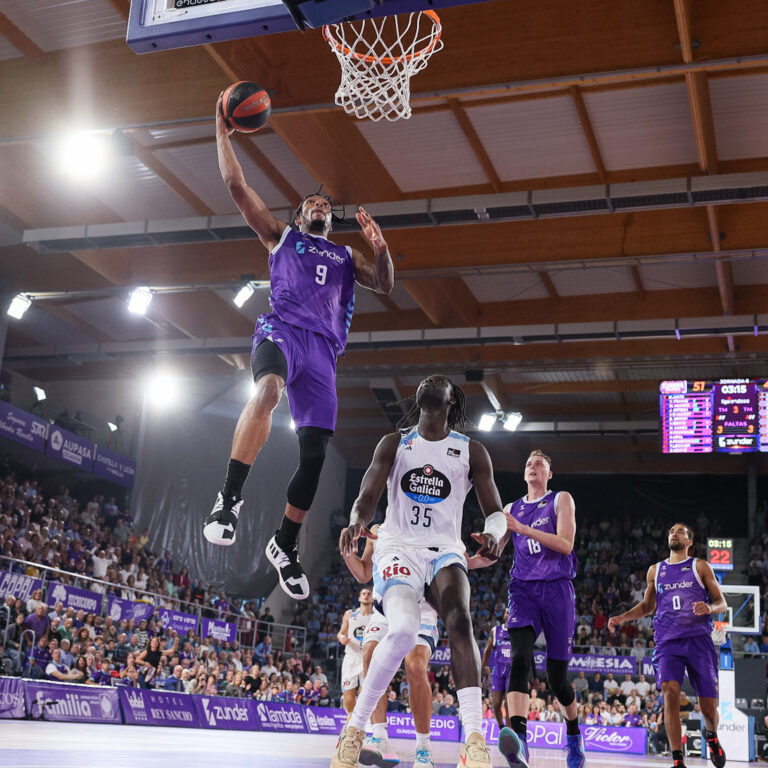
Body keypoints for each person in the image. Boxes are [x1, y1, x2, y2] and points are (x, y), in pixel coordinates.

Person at [204, 94, 395, 601]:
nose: (321, 206)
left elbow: (386, 285)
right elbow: (235, 185)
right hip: (283, 331)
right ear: (299, 212)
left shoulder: (346, 255)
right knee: (266, 391)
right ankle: (228, 499)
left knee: (315, 455)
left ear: (332, 221)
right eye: (313, 203)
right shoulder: (281, 237)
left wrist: (381, 248)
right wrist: (222, 130)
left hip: (323, 354)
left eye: (327, 206)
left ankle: (284, 543)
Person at [331, 374, 505, 768]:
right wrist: (358, 520)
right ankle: (356, 730)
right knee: (405, 629)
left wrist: (494, 534)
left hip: (444, 549)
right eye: (427, 379)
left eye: (441, 381)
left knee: (460, 619)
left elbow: (496, 512)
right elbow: (367, 495)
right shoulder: (395, 442)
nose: (431, 379)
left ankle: (474, 740)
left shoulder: (471, 451)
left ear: (450, 402)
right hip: (398, 546)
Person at [608, 522, 728, 768]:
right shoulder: (656, 570)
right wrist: (621, 618)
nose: (675, 533)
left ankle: (712, 736)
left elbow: (721, 602)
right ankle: (677, 760)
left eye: (681, 531)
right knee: (669, 695)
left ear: (690, 541)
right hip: (667, 642)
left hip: (699, 641)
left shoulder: (699, 566)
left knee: (708, 709)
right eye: (671, 531)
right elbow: (647, 606)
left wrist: (710, 607)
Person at [497, 449, 585, 768]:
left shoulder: (561, 499)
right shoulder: (511, 509)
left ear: (549, 474)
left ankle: (574, 736)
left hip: (558, 589)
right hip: (523, 589)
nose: (533, 467)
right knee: (519, 658)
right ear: (524, 475)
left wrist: (522, 529)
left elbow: (565, 544)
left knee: (557, 678)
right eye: (528, 464)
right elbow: (494, 553)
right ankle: (520, 742)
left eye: (540, 465)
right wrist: (464, 558)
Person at [337, 587, 374, 721]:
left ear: (373, 599)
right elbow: (341, 632)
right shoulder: (350, 614)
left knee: (364, 694)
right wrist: (341, 638)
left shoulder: (377, 616)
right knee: (348, 696)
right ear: (359, 598)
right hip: (351, 657)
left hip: (368, 658)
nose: (366, 595)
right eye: (363, 593)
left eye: (369, 594)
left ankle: (360, 723)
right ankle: (350, 720)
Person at [481, 609, 512, 730]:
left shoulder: (519, 631)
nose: (510, 615)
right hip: (498, 670)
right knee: (496, 703)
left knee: (509, 704)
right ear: (504, 615)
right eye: (508, 613)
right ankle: (502, 729)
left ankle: (509, 731)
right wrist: (481, 669)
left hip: (512, 670)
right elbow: (488, 651)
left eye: (512, 613)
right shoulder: (495, 630)